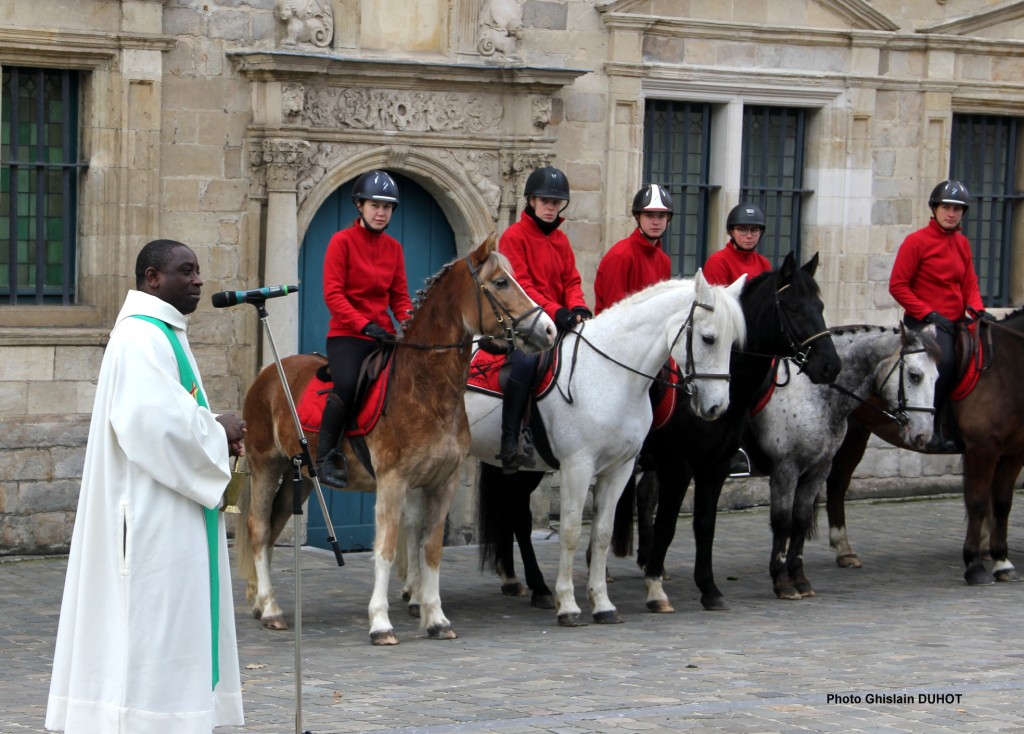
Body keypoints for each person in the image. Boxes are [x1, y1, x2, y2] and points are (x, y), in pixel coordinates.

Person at [46, 239, 246, 733]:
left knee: (174, 624)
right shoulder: (140, 338)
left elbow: (177, 412)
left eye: (199, 270)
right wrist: (217, 430)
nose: (199, 280)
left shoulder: (164, 334)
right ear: (152, 278)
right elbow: (150, 422)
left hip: (172, 504)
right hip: (150, 511)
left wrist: (212, 433)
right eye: (186, 271)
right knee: (152, 623)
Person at [317, 169, 413, 488]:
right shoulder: (340, 242)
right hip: (348, 335)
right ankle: (325, 455)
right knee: (345, 385)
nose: (381, 212)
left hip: (383, 336)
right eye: (375, 205)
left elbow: (399, 297)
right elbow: (333, 294)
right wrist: (364, 324)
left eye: (387, 207)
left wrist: (411, 326)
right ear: (360, 205)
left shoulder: (395, 249)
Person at [497, 165, 591, 472]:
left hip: (559, 321)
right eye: (545, 200)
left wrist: (576, 308)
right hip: (524, 323)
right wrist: (556, 311)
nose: (550, 207)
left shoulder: (561, 241)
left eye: (555, 202)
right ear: (531, 201)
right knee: (525, 362)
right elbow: (523, 286)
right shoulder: (513, 237)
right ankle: (510, 439)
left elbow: (572, 281)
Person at [889, 179, 991, 453]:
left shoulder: (962, 243)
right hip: (924, 324)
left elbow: (969, 283)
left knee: (986, 357)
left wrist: (978, 309)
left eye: (957, 209)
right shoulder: (916, 242)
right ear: (934, 209)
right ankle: (936, 428)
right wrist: (929, 313)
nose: (951, 213)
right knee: (944, 362)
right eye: (946, 207)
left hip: (955, 323)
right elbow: (898, 285)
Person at [593, 183, 674, 313]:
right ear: (637, 217)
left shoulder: (664, 261)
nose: (656, 222)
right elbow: (613, 311)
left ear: (668, 218)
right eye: (649, 215)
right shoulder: (620, 255)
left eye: (661, 216)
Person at [703, 202, 773, 286]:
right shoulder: (718, 261)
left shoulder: (764, 263)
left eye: (754, 230)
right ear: (731, 232)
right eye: (742, 230)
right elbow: (718, 298)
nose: (749, 236)